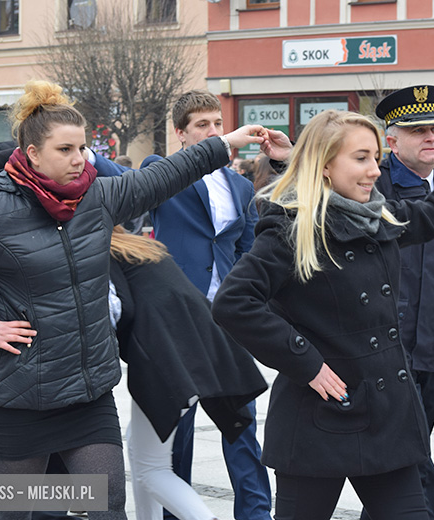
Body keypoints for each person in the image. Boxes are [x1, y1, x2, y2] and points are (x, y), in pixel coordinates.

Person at [212, 109, 434, 520]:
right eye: (360, 158)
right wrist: (307, 362)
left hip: (386, 418)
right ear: (324, 166)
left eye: (375, 157)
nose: (374, 170)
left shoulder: (379, 216)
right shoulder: (292, 227)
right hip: (320, 417)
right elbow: (234, 302)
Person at [0, 80, 263, 520]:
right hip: (17, 396)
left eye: (83, 147)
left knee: (107, 503)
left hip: (87, 392)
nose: (80, 160)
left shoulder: (96, 197)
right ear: (32, 154)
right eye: (65, 150)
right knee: (21, 510)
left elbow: (164, 175)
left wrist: (223, 143)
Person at [147, 90, 272, 520]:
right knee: (174, 434)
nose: (215, 132)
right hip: (179, 321)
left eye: (218, 124)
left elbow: (249, 250)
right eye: (203, 126)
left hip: (226, 322)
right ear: (181, 135)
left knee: (242, 429)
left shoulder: (240, 185)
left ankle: (256, 514)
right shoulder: (161, 172)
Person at [108, 227, 268, 520]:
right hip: (198, 352)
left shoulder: (102, 257)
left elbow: (120, 313)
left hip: (167, 362)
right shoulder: (142, 248)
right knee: (141, 449)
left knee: (151, 469)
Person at [368, 85, 434, 520]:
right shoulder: (375, 187)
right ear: (391, 141)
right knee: (412, 457)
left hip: (433, 345)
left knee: (404, 457)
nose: (431, 137)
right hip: (386, 350)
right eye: (417, 131)